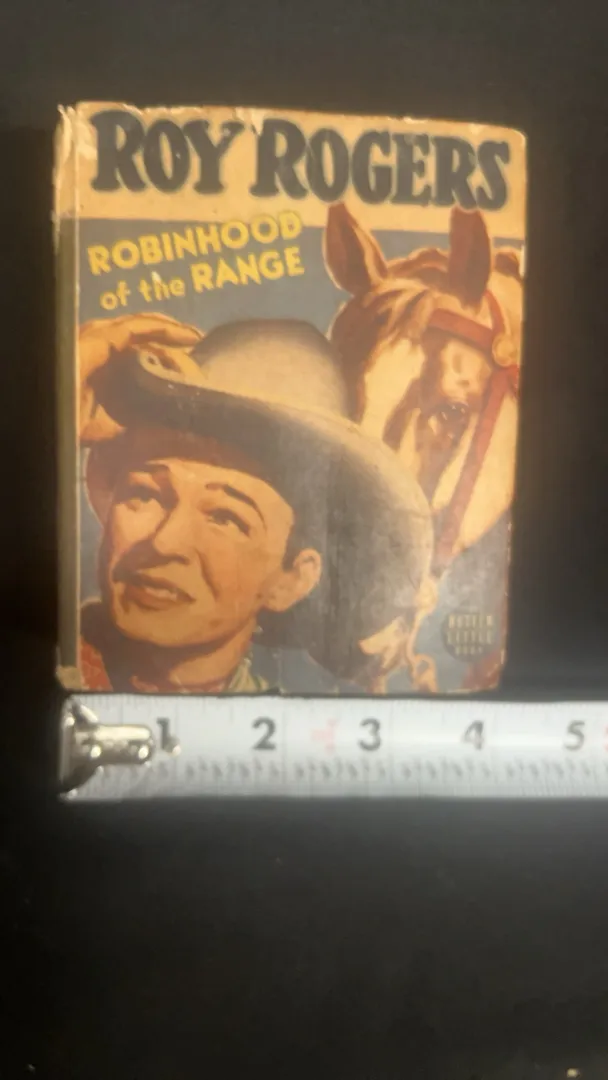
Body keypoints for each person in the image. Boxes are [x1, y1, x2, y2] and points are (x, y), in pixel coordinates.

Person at [77, 313, 433, 693]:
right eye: (145, 494)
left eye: (225, 517)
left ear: (292, 580)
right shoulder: (41, 658)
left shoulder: (307, 715)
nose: (165, 542)